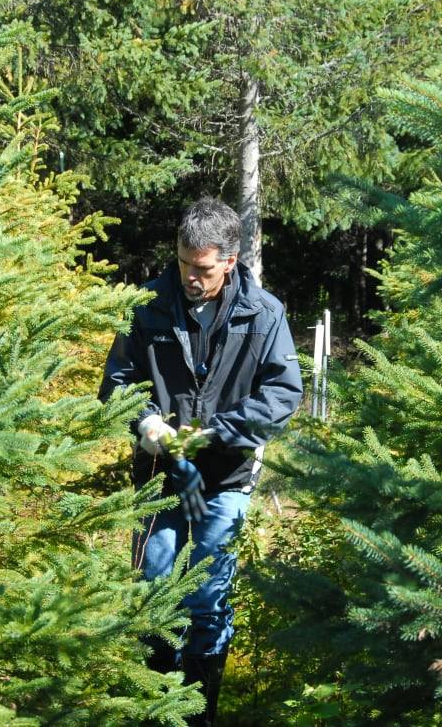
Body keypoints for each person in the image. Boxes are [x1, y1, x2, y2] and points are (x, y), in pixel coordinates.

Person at [98, 198, 303, 725]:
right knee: (153, 590)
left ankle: (197, 716)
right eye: (185, 264)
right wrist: (147, 425)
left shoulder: (264, 313)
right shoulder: (146, 304)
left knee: (208, 595)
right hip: (158, 475)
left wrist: (216, 433)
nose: (191, 276)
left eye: (204, 268)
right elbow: (117, 381)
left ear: (230, 261)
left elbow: (283, 394)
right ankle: (154, 710)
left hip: (227, 476)